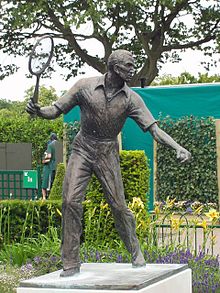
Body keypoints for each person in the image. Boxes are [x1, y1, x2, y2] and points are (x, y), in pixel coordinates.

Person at [27, 49, 191, 277]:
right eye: (128, 65)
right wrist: (39, 111)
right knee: (70, 202)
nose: (133, 69)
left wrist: (177, 147)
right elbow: (55, 109)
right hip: (82, 149)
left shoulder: (132, 99)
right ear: (114, 67)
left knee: (119, 207)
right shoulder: (84, 86)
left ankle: (135, 251)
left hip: (107, 153)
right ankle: (71, 263)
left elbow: (154, 129)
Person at [41, 133, 57, 200]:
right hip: (57, 165)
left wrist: (45, 159)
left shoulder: (50, 145)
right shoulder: (60, 144)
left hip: (50, 167)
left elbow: (48, 157)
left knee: (46, 184)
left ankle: (44, 197)